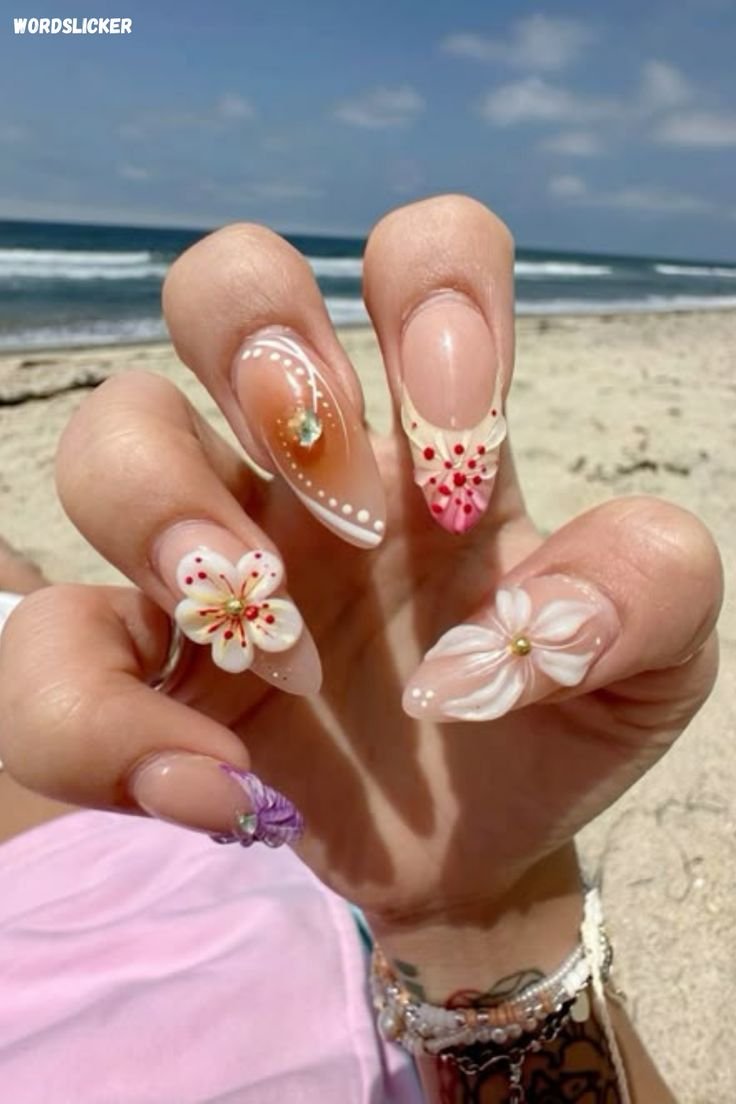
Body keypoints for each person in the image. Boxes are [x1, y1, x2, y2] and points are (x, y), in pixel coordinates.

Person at [0, 197, 722, 1103]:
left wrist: (469, 914)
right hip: (146, 811)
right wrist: (478, 921)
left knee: (20, 608)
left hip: (76, 798)